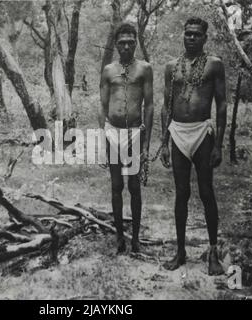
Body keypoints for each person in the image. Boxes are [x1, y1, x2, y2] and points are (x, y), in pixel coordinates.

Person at [160, 17, 227, 275]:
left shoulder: (214, 65)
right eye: (188, 34)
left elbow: (221, 104)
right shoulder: (171, 66)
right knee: (181, 193)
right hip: (177, 132)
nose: (191, 38)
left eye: (197, 35)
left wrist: (218, 145)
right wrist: (164, 142)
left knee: (206, 191)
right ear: (183, 35)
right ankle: (180, 251)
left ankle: (212, 253)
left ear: (205, 38)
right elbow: (166, 105)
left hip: (201, 132)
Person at [99, 22, 154, 254]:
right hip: (113, 131)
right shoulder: (109, 70)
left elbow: (150, 105)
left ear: (136, 43)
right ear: (116, 44)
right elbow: (102, 105)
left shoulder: (144, 69)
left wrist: (146, 140)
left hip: (134, 133)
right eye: (122, 42)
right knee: (116, 185)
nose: (126, 46)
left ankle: (135, 239)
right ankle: (120, 237)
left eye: (130, 42)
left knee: (134, 185)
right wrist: (103, 135)